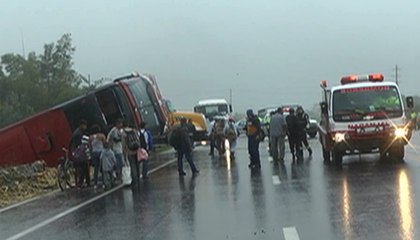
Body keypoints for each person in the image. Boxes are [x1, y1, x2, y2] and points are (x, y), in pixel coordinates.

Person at [69, 120, 88, 187]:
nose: (85, 127)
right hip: (78, 152)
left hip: (76, 151)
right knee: (83, 166)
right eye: (84, 125)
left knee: (84, 166)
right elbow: (79, 143)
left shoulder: (77, 132)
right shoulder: (78, 133)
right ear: (81, 125)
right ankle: (80, 183)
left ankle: (85, 182)